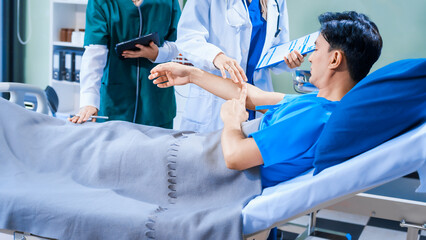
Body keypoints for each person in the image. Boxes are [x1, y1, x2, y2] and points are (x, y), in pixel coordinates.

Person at [150, 11, 383, 187]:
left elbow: (235, 157)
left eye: (316, 49)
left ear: (334, 59)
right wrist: (192, 74)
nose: (309, 58)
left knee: (122, 142)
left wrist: (232, 121)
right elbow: (253, 97)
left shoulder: (315, 116)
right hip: (204, 154)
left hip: (213, 171)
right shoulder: (317, 104)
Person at [175, 0, 305, 133]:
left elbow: (278, 44)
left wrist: (288, 60)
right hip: (215, 98)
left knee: (249, 148)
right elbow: (187, 38)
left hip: (256, 97)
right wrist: (215, 56)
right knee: (214, 149)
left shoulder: (277, 2)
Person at [68, 0, 181, 129]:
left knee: (159, 147)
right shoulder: (101, 2)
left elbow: (178, 43)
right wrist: (89, 100)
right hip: (115, 99)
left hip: (156, 99)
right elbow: (95, 52)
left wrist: (157, 53)